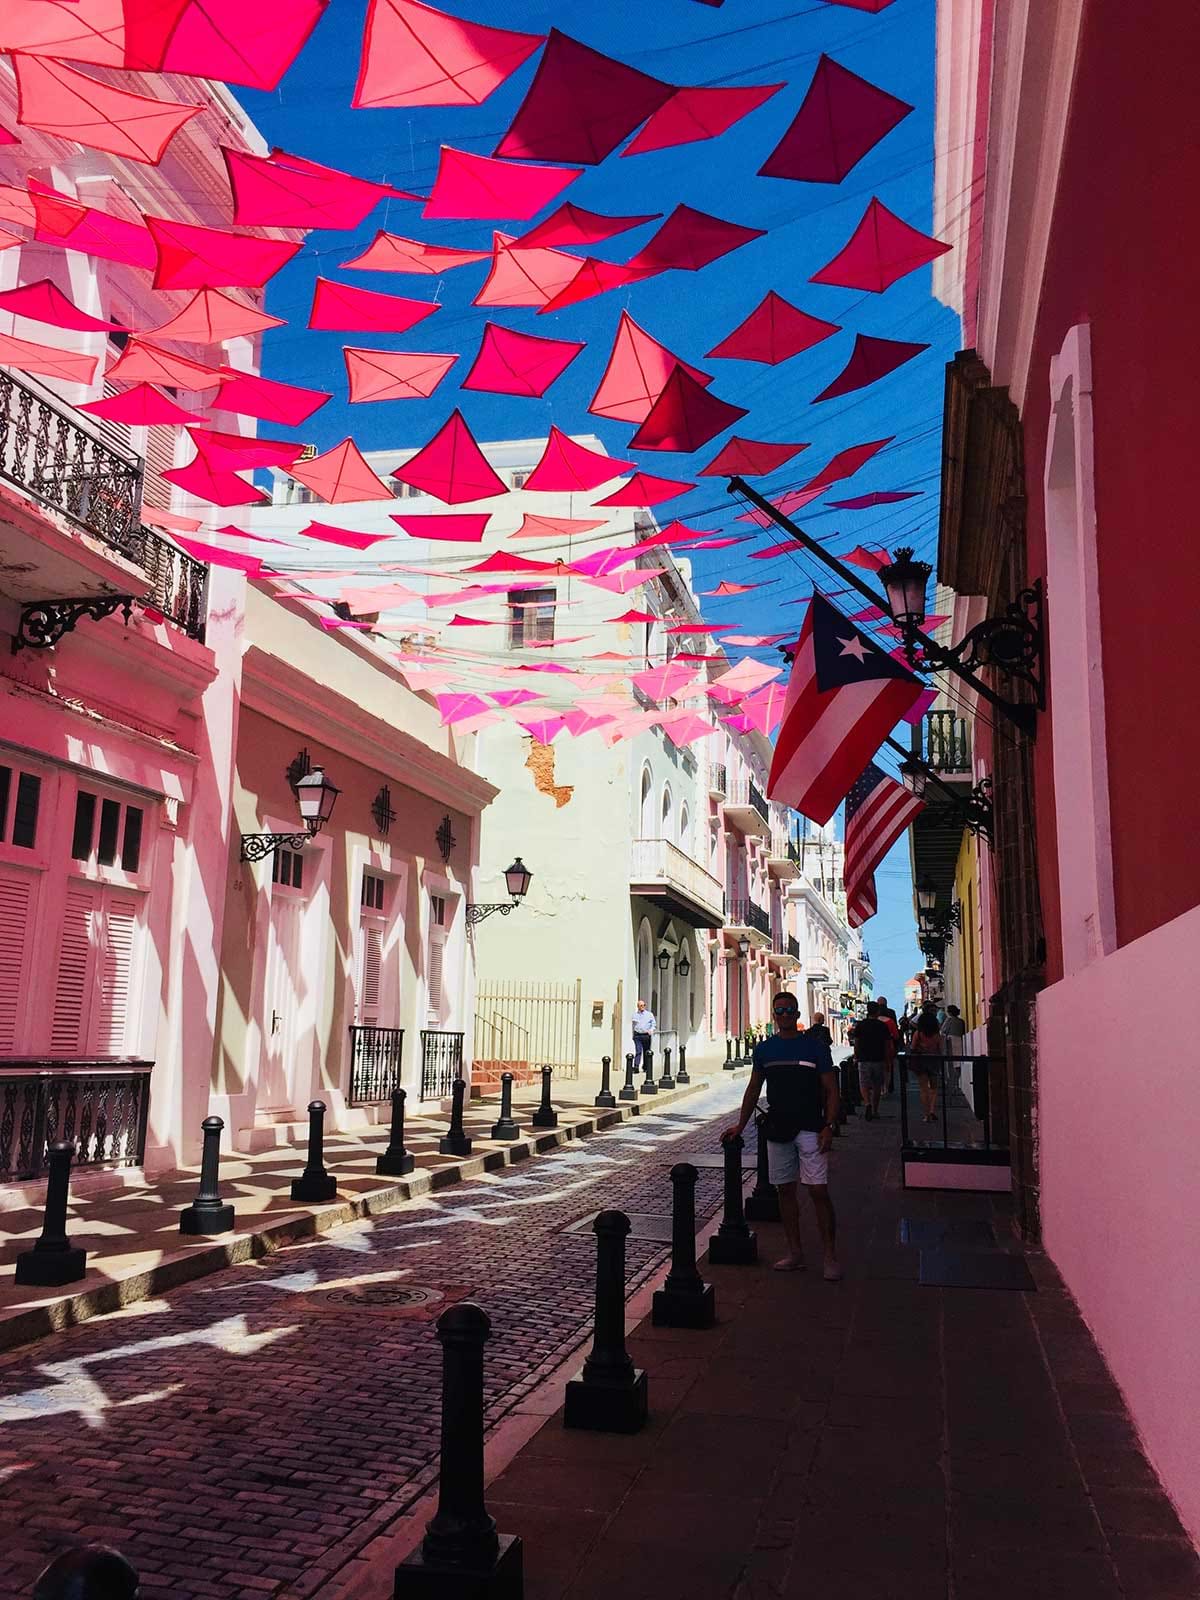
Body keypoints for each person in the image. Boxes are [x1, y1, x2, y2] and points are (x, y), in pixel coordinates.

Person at [722, 990, 843, 1279]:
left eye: (790, 1010)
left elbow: (831, 1089)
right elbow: (754, 1089)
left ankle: (829, 1256)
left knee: (818, 1191)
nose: (785, 1015)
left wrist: (829, 1125)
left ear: (798, 1015)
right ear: (774, 1015)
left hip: (811, 1127)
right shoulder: (765, 1050)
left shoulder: (815, 1048)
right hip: (778, 1128)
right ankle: (795, 1252)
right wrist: (741, 1124)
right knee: (785, 1191)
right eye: (780, 1011)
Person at [850, 1001, 891, 1121]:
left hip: (864, 1058)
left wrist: (856, 1056)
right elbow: (887, 1044)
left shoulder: (861, 1025)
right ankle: (875, 1110)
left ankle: (867, 1103)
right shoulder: (882, 1026)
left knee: (864, 1083)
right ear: (877, 1011)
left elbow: (856, 1042)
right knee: (877, 1085)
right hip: (878, 1058)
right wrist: (888, 1060)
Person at [909, 1002, 943, 1123]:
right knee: (934, 1088)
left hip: (921, 1062)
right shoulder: (937, 1035)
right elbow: (941, 1049)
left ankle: (926, 1114)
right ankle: (932, 1110)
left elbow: (912, 1047)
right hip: (934, 1062)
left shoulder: (918, 1034)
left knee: (923, 1089)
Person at [875, 994, 901, 1093]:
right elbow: (895, 1028)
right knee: (889, 1066)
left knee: (878, 1065)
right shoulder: (891, 1012)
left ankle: (879, 1087)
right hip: (890, 1042)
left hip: (877, 1043)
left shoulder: (875, 1014)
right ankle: (889, 1086)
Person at [941, 1003, 968, 1090]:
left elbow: (942, 1031)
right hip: (960, 1041)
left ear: (949, 1012)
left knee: (950, 1064)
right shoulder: (961, 1021)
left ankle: (952, 1082)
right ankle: (958, 1082)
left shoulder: (948, 1020)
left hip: (950, 1042)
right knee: (958, 1063)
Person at [631, 999, 655, 1071]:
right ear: (638, 1006)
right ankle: (636, 1066)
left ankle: (646, 1067)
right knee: (638, 1051)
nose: (642, 1007)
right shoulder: (635, 1015)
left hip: (646, 1035)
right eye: (641, 1005)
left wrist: (651, 1030)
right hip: (637, 1035)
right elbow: (633, 1024)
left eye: (644, 1005)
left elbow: (653, 1024)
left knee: (646, 1051)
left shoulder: (649, 1014)